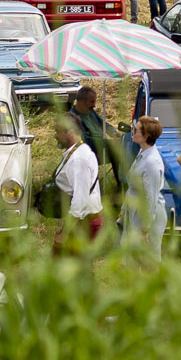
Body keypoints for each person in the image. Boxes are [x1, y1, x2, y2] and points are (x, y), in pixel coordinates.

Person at [51, 116, 104, 255]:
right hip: (81, 220)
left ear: (70, 132)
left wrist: (64, 233)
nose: (55, 136)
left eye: (58, 131)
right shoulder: (80, 150)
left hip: (84, 222)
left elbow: (80, 201)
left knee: (64, 267)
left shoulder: (79, 159)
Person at [72, 85, 126, 197]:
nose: (94, 105)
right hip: (88, 152)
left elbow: (103, 124)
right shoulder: (73, 117)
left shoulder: (90, 112)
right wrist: (108, 143)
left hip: (103, 147)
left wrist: (114, 133)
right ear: (81, 101)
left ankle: (123, 184)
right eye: (91, 102)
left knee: (121, 148)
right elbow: (85, 141)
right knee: (116, 150)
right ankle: (122, 186)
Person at [127, 117, 168, 260]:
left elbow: (151, 197)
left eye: (136, 130)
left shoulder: (152, 162)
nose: (132, 132)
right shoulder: (142, 153)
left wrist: (145, 228)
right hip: (137, 211)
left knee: (148, 259)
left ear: (145, 136)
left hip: (149, 215)